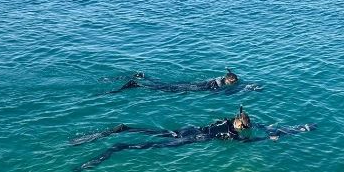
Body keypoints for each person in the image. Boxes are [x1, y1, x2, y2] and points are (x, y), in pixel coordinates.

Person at [71, 106, 316, 171]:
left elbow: (249, 126)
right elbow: (246, 141)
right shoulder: (229, 134)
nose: (243, 131)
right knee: (146, 146)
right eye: (243, 127)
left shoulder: (225, 121)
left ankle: (124, 128)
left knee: (153, 134)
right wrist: (267, 140)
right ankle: (117, 146)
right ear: (239, 125)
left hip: (187, 129)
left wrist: (287, 128)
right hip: (192, 138)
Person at [109, 68, 256, 94]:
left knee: (166, 85)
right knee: (166, 89)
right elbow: (223, 93)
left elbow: (229, 74)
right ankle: (137, 84)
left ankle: (143, 77)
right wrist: (246, 89)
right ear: (229, 81)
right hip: (193, 88)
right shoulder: (220, 86)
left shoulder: (219, 79)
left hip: (193, 84)